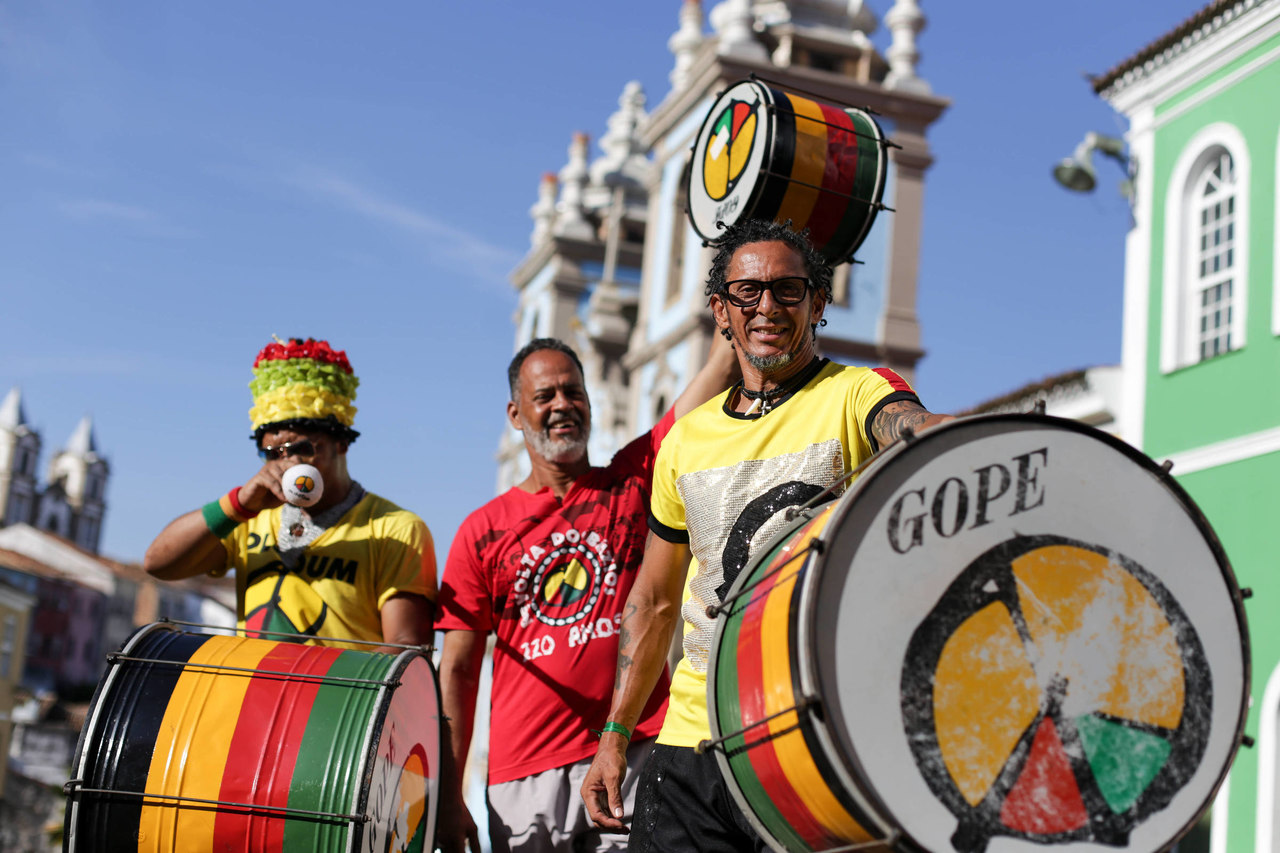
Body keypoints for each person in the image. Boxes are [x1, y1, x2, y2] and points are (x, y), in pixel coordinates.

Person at [581, 220, 952, 851]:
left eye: (788, 289)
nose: (768, 307)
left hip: (811, 739)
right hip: (689, 749)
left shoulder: (856, 391)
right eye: (748, 292)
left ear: (819, 302)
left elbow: (906, 424)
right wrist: (614, 737)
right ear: (720, 312)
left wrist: (950, 435)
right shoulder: (685, 440)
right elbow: (656, 602)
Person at [435, 335, 739, 853]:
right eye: (545, 395)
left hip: (634, 752)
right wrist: (448, 793)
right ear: (516, 413)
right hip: (522, 778)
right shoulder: (480, 531)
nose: (562, 406)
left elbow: (718, 371)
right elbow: (458, 671)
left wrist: (730, 290)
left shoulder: (631, 481)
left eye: (573, 392)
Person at [143, 336, 436, 648]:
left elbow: (405, 648)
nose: (287, 462)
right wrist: (239, 503)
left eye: (302, 448)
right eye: (272, 453)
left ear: (342, 443)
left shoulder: (397, 528)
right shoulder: (249, 518)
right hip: (255, 693)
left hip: (340, 696)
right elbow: (159, 564)